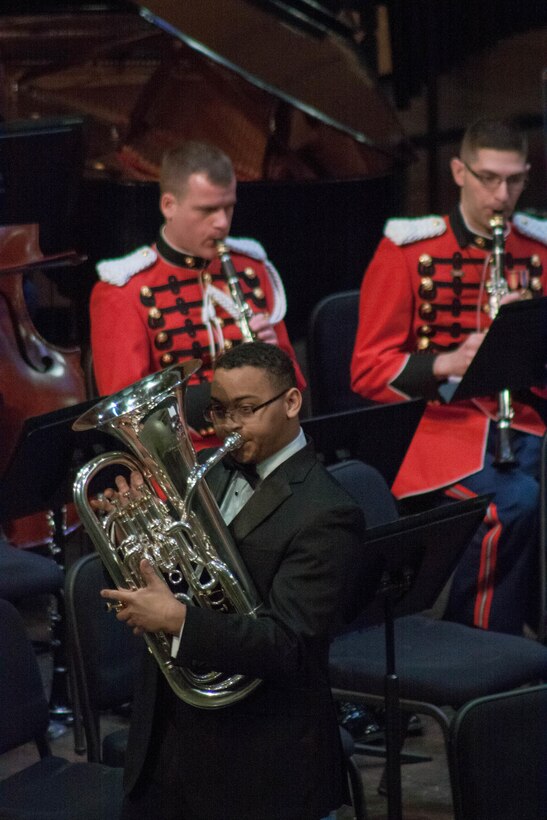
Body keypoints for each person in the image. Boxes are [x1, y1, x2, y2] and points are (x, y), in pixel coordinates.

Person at [99, 341, 369, 820]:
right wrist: (126, 535)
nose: (227, 426)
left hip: (258, 760)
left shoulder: (329, 512)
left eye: (246, 410)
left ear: (290, 402)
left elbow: (289, 643)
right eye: (219, 410)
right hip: (167, 743)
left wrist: (179, 620)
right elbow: (170, 579)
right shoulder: (211, 475)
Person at [351, 117, 546, 636]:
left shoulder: (539, 247)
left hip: (528, 419)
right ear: (459, 171)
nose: (501, 196)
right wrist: (448, 361)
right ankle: (483, 647)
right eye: (487, 178)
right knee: (513, 504)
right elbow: (367, 370)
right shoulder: (409, 251)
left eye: (513, 181)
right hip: (439, 431)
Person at [90, 140, 305, 447]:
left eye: (228, 207)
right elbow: (131, 417)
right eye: (207, 210)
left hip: (265, 447)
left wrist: (275, 363)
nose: (221, 223)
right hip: (189, 458)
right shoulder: (123, 291)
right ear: (169, 206)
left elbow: (295, 387)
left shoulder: (252, 269)